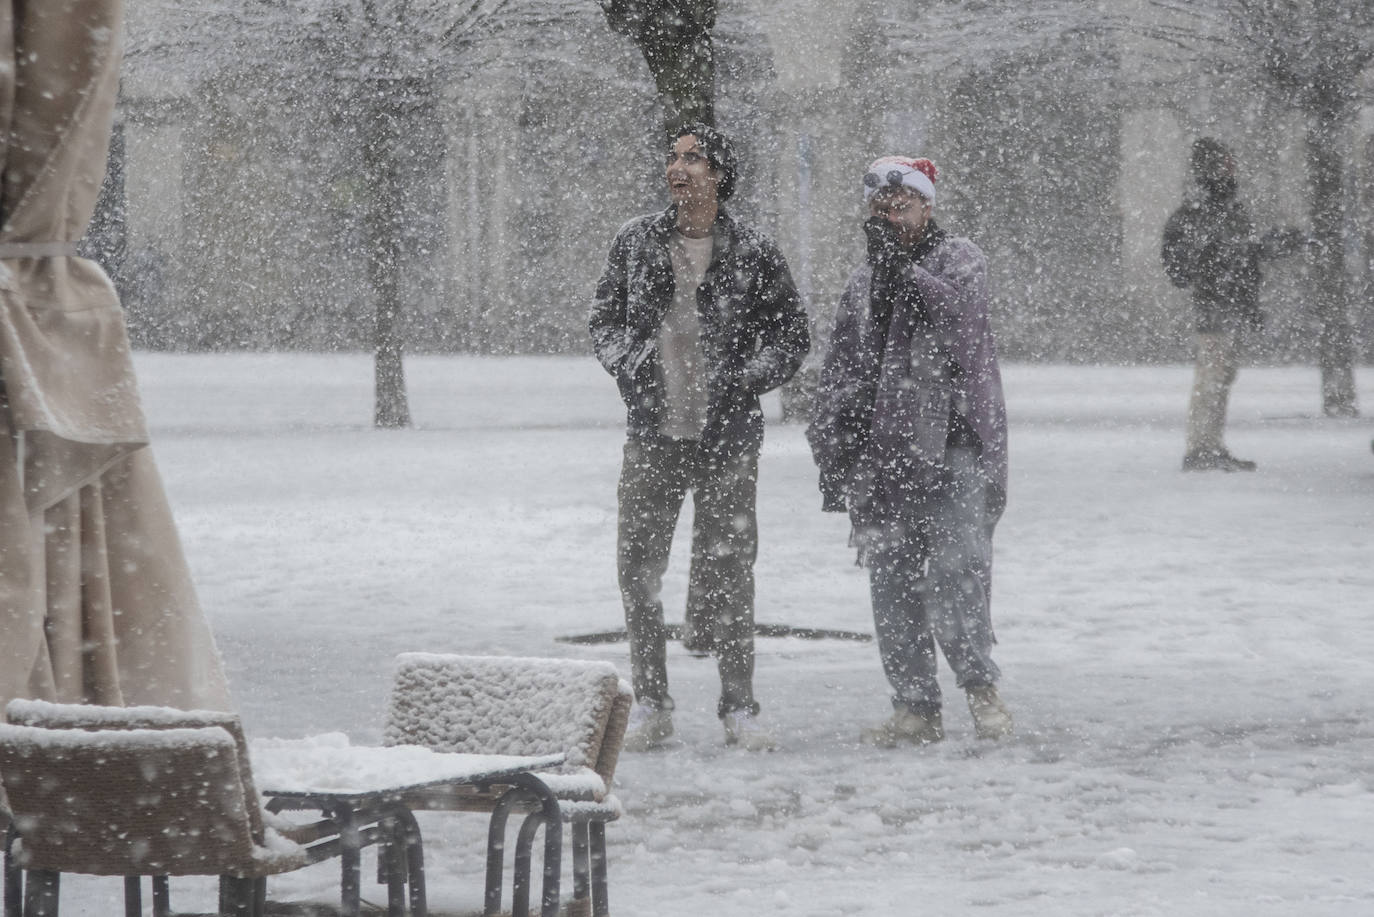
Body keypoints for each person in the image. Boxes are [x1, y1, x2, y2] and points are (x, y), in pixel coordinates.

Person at [589, 123, 809, 751]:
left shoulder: (754, 251)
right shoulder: (636, 242)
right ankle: (652, 704)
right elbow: (602, 318)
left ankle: (738, 708)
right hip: (654, 432)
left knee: (732, 571)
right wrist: (630, 364)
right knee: (639, 570)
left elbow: (792, 336)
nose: (677, 168)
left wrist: (745, 379)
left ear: (719, 175)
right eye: (673, 157)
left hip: (728, 438)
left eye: (693, 159)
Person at [807, 156, 1011, 746]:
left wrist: (905, 273)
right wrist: (836, 432)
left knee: (959, 570)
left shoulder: (962, 260)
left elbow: (961, 326)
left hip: (955, 445)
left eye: (902, 204)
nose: (891, 216)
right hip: (884, 455)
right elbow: (842, 365)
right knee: (892, 582)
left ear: (927, 205)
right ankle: (915, 705)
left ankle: (979, 687)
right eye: (880, 207)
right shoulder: (861, 281)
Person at [1162, 137, 1306, 472]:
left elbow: (1244, 254)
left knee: (1221, 375)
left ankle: (1210, 444)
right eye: (1225, 162)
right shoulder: (1204, 211)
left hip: (1228, 303)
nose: (1231, 167)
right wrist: (1243, 258)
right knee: (1213, 375)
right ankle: (1201, 447)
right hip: (1216, 304)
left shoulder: (1223, 209)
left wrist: (1268, 249)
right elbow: (1219, 256)